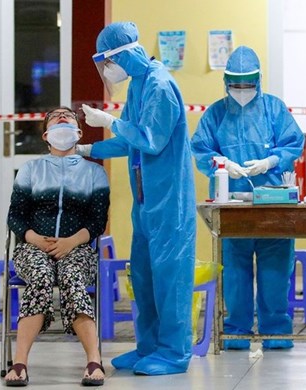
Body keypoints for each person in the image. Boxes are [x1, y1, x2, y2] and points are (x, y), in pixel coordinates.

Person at [76, 21, 196, 376]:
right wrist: (86, 148)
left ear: (123, 56)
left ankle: (174, 352)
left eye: (107, 63)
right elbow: (129, 140)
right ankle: (148, 347)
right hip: (146, 202)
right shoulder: (140, 86)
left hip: (169, 203)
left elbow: (151, 140)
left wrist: (110, 121)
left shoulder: (159, 85)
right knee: (143, 276)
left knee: (169, 278)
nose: (107, 71)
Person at [191, 46, 305, 350]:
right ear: (226, 83)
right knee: (236, 274)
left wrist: (269, 162)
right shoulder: (215, 113)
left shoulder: (274, 109)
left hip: (273, 207)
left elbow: (293, 144)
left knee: (275, 273)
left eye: (248, 85)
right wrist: (222, 163)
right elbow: (201, 151)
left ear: (259, 81)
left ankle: (277, 334)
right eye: (236, 85)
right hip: (233, 207)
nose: (243, 91)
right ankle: (236, 333)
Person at [3, 107, 110, 387]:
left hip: (77, 247)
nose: (62, 118)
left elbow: (98, 221)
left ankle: (93, 361)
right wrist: (34, 238)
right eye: (55, 117)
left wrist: (71, 242)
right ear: (46, 135)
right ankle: (20, 364)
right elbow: (15, 216)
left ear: (79, 132)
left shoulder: (95, 173)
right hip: (33, 246)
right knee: (40, 277)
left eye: (68, 117)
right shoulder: (30, 170)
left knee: (72, 278)